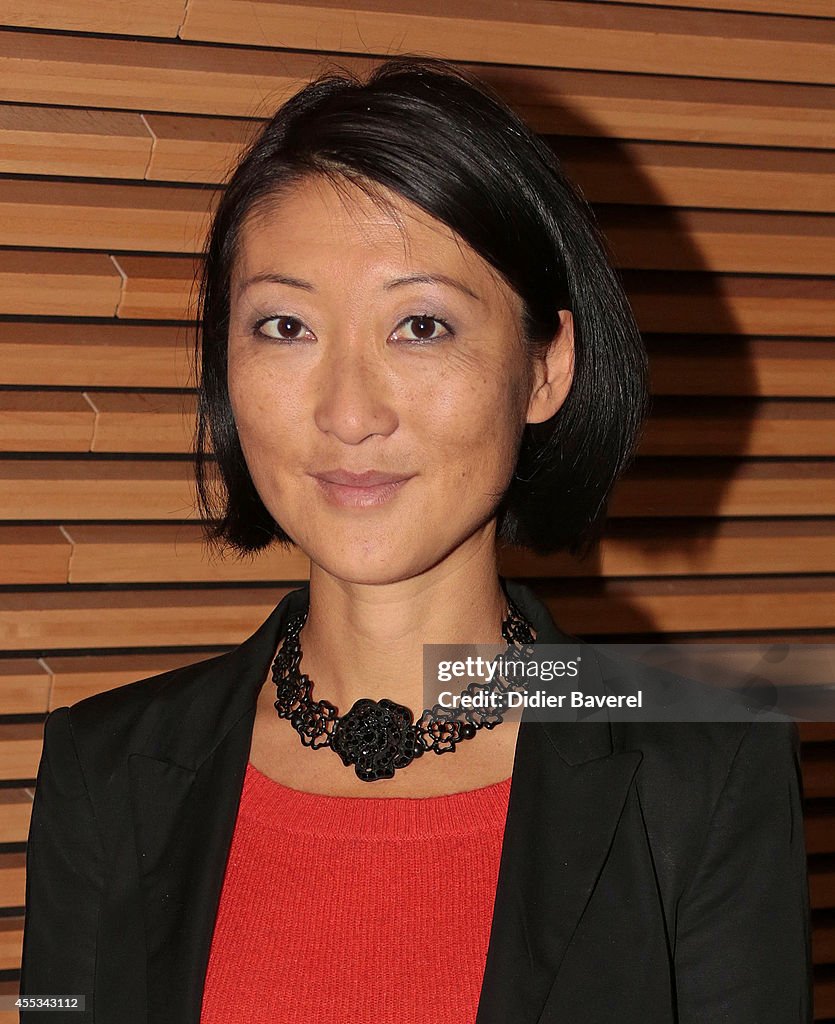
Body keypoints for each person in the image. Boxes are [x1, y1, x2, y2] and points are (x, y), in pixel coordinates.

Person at [19, 55, 811, 1023]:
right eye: (284, 325)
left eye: (421, 325)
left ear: (545, 368)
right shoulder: (103, 769)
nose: (349, 412)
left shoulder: (704, 772)